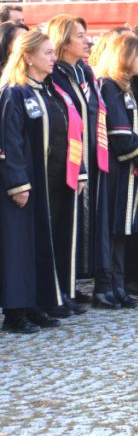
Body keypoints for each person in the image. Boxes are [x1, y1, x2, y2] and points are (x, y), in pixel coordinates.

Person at [0, 32, 70, 333]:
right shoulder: (13, 92)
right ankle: (15, 313)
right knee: (18, 249)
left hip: (46, 182)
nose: (53, 58)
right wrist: (18, 183)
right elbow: (9, 141)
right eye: (47, 53)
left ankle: (36, 304)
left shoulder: (45, 91)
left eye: (54, 52)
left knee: (40, 244)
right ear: (28, 56)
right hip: (22, 185)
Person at [47, 15, 108, 311]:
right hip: (67, 161)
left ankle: (70, 285)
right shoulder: (56, 75)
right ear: (63, 41)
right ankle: (59, 289)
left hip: (90, 158)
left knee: (80, 226)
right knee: (64, 226)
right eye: (80, 35)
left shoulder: (83, 71)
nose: (87, 41)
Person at [96, 33, 138, 309]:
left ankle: (118, 285)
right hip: (116, 168)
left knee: (122, 230)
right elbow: (118, 130)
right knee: (111, 228)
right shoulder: (109, 86)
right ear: (124, 56)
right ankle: (104, 286)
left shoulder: (132, 88)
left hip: (131, 168)